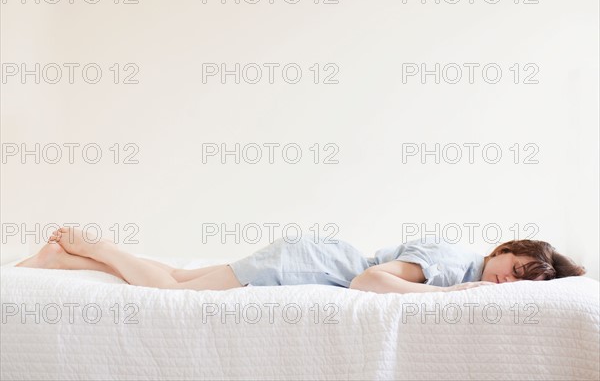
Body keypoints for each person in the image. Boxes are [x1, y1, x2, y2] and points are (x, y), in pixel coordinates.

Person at [15, 227, 586, 294]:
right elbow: (369, 281)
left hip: (310, 254)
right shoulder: (454, 267)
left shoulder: (467, 261)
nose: (503, 281)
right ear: (502, 250)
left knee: (182, 275)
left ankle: (61, 263)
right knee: (172, 290)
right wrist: (450, 296)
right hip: (308, 266)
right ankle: (99, 248)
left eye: (515, 283)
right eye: (509, 268)